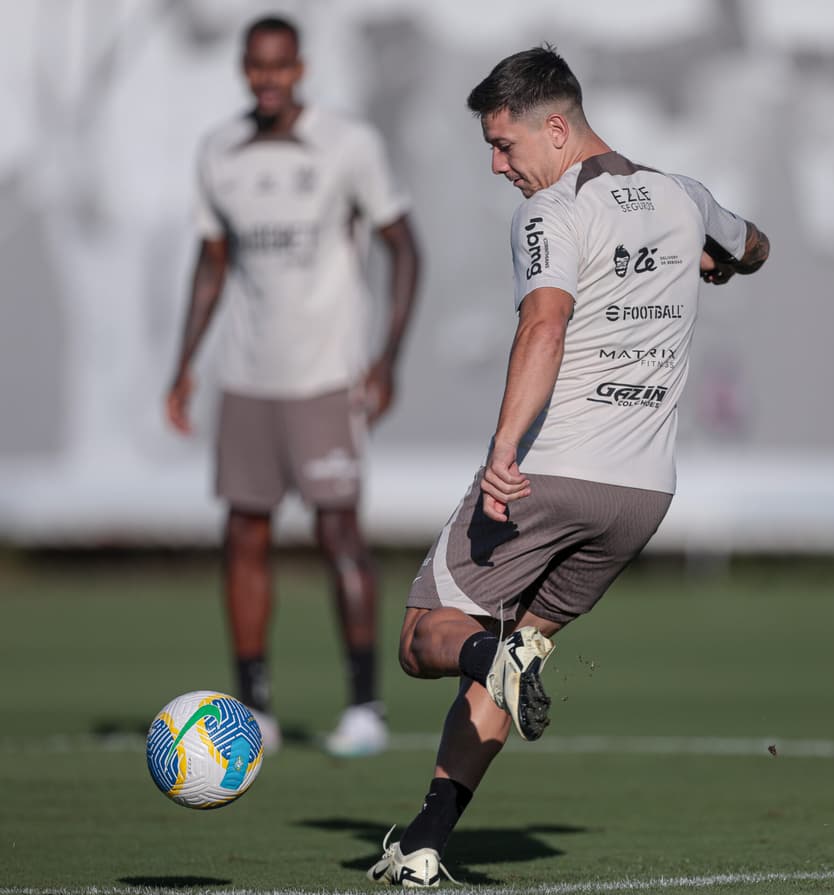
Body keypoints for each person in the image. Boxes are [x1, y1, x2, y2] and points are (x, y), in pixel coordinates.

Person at [367, 45, 768, 886]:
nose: (497, 164)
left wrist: (504, 450)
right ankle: (428, 841)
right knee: (517, 653)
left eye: (505, 144)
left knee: (419, 638)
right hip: (642, 493)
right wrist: (716, 261)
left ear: (557, 129)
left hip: (550, 474)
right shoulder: (681, 194)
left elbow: (544, 326)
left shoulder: (553, 210)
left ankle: (490, 658)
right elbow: (755, 246)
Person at [165, 15, 419, 758]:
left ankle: (365, 705)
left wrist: (387, 358)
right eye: (255, 67)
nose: (268, 79)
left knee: (339, 529)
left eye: (280, 66)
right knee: (244, 533)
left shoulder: (348, 145)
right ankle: (254, 707)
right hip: (247, 376)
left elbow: (405, 249)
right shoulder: (218, 150)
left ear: (300, 67)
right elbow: (212, 263)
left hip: (325, 374)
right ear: (243, 69)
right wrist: (183, 364)